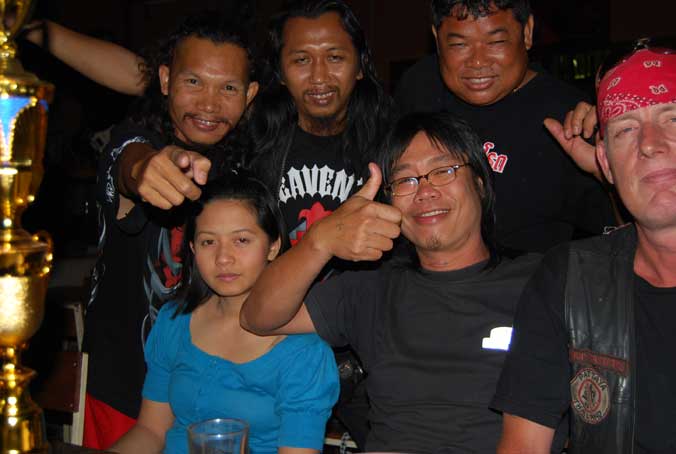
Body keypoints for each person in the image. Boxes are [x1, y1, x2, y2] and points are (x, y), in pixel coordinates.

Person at [241, 112, 562, 453]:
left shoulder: (543, 281)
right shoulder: (373, 289)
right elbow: (257, 317)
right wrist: (319, 241)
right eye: (405, 180)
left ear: (480, 184)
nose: (425, 191)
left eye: (444, 171)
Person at [82, 13, 259, 449]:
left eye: (228, 88)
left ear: (249, 95)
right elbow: (130, 162)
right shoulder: (133, 140)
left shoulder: (245, 174)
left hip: (210, 397)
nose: (210, 104)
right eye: (193, 82)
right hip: (122, 393)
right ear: (165, 80)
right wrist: (143, 170)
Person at [492, 43, 676, 453]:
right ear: (605, 163)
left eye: (673, 118)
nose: (650, 143)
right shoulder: (571, 279)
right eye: (626, 129)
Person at [110, 171, 338, 454]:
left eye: (241, 240)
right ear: (192, 248)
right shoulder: (174, 320)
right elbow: (150, 431)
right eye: (208, 242)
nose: (223, 258)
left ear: (273, 246)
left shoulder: (304, 352)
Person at [395, 0, 615, 253]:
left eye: (496, 42)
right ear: (437, 38)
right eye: (459, 45)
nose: (478, 62)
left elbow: (628, 237)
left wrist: (608, 175)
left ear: (527, 32)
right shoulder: (419, 88)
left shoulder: (569, 119)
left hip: (531, 276)